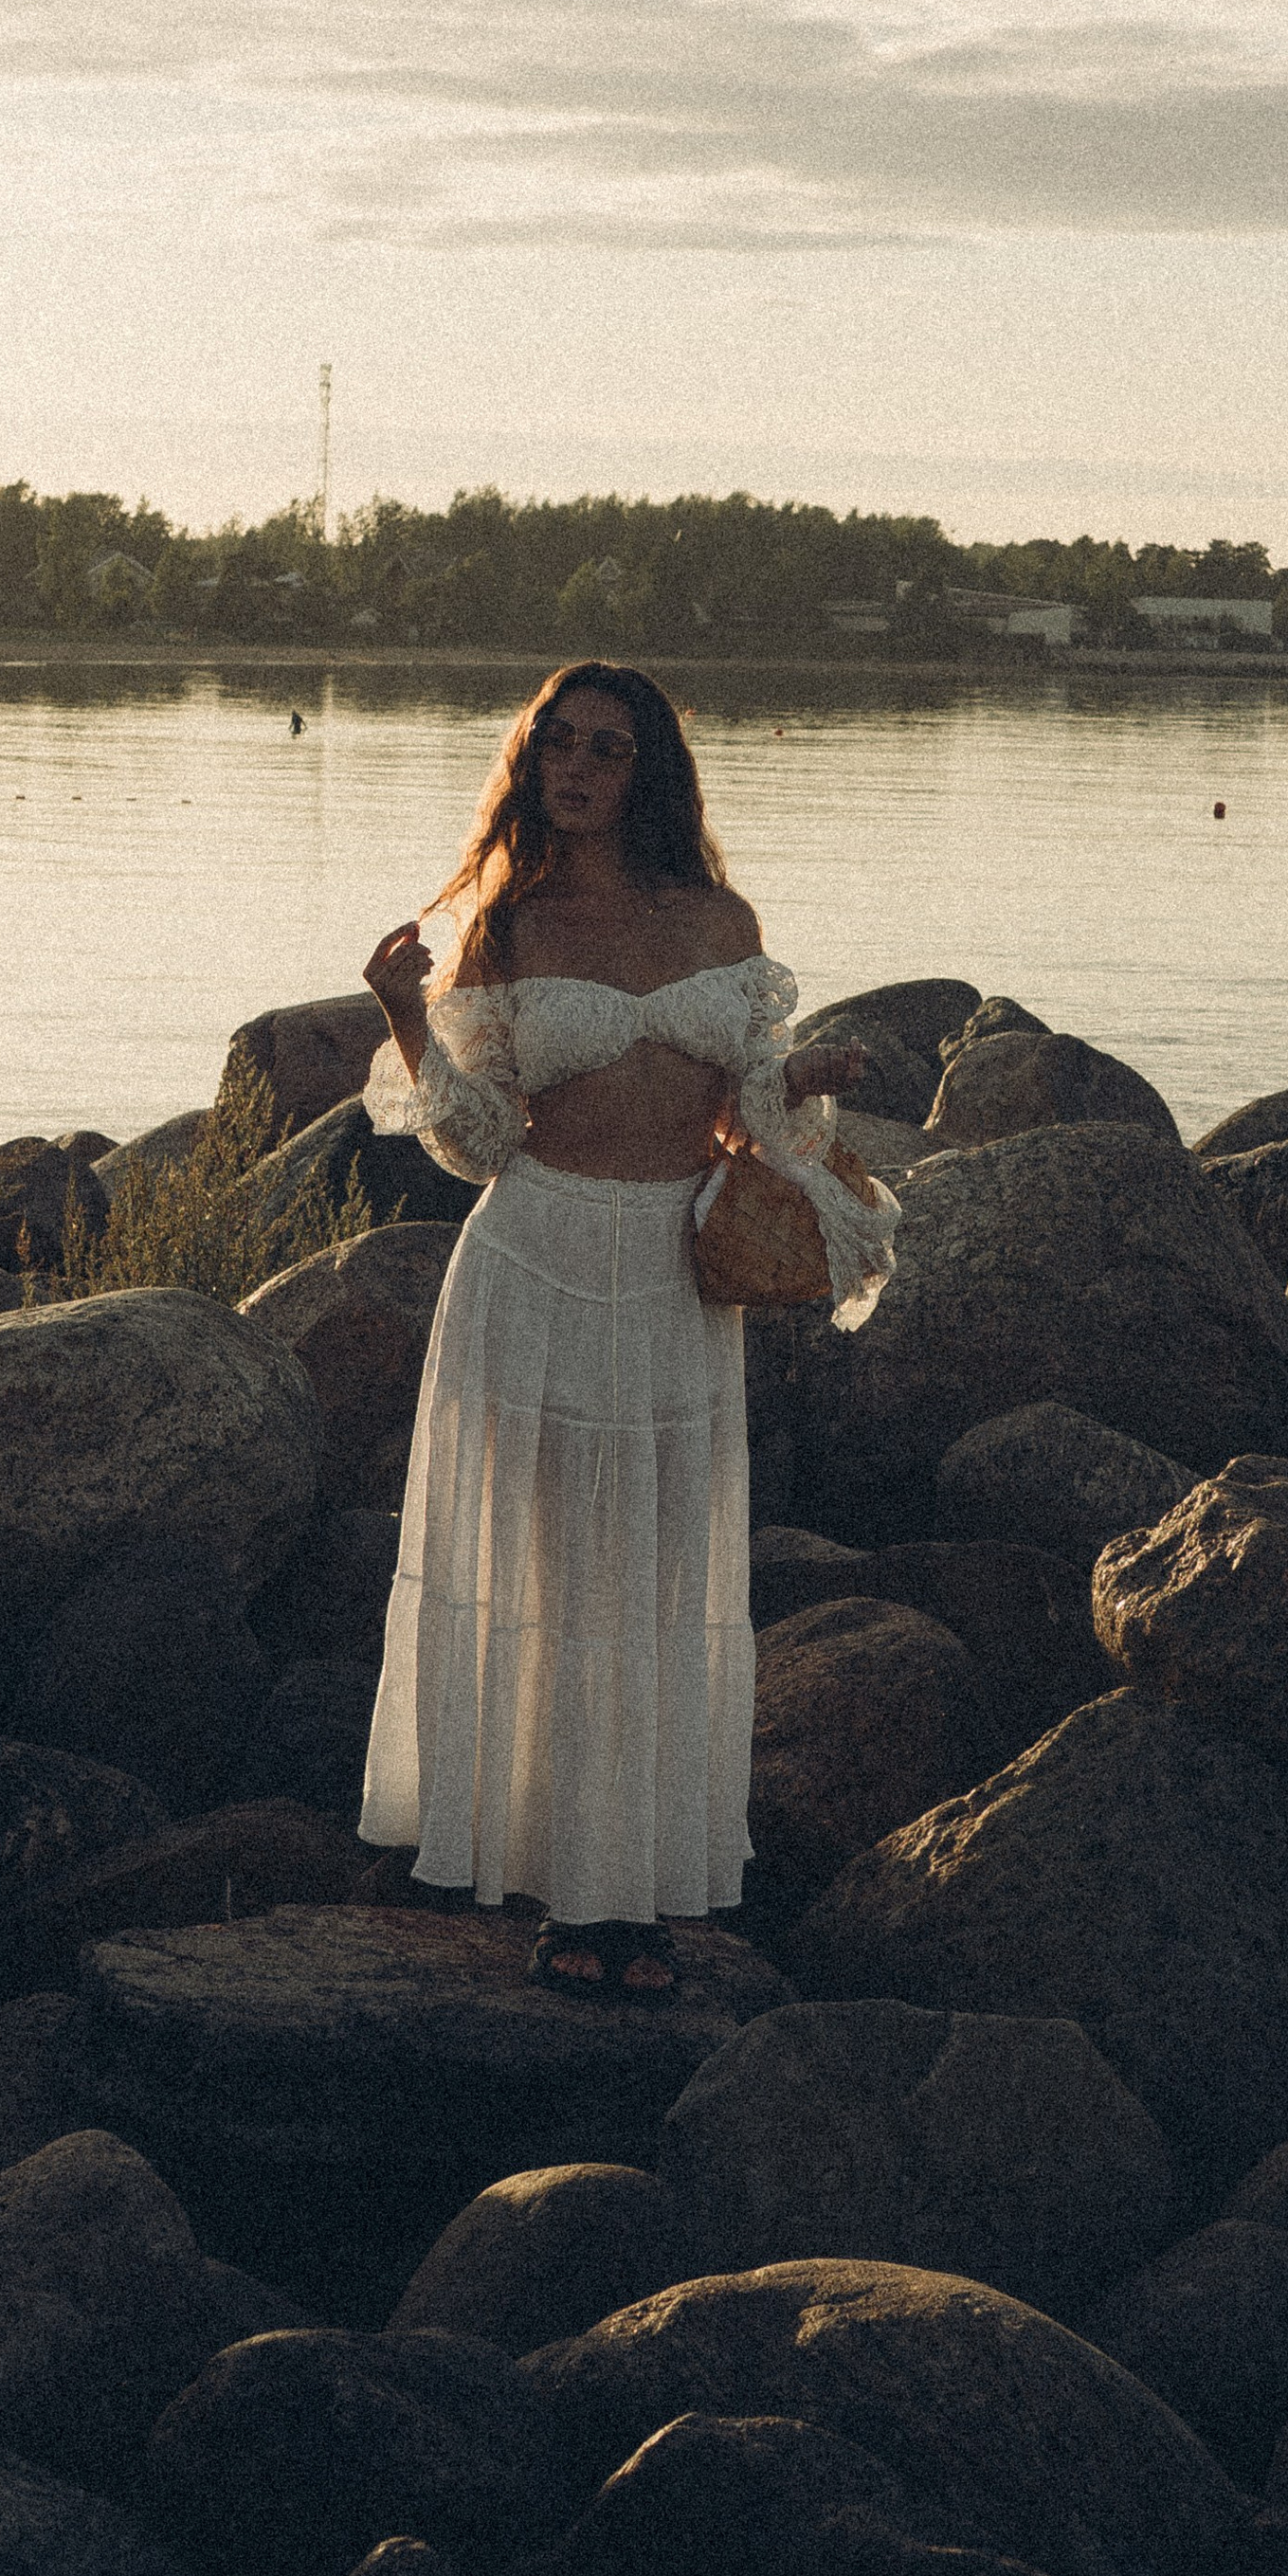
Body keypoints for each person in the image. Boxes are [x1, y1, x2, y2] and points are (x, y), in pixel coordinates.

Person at [356, 661, 897, 2001]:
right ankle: (563, 1893)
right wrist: (401, 1018)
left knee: (654, 1585)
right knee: (550, 1583)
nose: (581, 768)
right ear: (533, 767)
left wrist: (806, 1081)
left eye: (608, 748)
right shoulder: (513, 930)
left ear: (647, 770)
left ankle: (628, 1897)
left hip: (669, 1270)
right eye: (559, 748)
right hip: (534, 1259)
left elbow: (750, 1118)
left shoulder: (720, 918)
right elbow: (480, 1145)